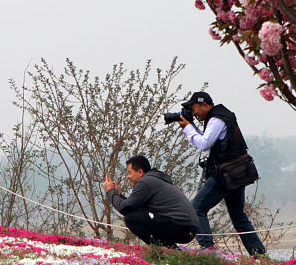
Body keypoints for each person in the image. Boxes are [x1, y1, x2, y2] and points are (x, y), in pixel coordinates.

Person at [176, 91, 267, 256]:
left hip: (224, 175)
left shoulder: (217, 119)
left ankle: (208, 250)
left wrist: (188, 128)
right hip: (236, 174)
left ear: (204, 105)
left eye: (194, 108)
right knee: (238, 215)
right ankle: (259, 254)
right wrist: (191, 126)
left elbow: (204, 143)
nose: (194, 112)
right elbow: (209, 140)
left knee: (196, 208)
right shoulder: (220, 116)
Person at [103, 155, 202, 247]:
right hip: (188, 228)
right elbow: (132, 205)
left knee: (131, 218)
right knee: (136, 214)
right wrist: (117, 194)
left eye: (129, 173)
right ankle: (171, 250)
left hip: (181, 227)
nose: (128, 177)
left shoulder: (145, 182)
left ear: (140, 172)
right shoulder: (154, 180)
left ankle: (164, 250)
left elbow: (125, 208)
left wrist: (110, 192)